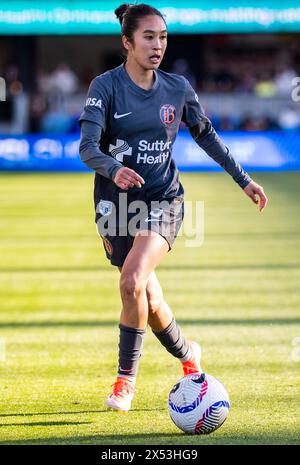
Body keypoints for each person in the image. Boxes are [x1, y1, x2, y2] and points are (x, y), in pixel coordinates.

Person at [79, 3, 268, 413]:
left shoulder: (177, 88)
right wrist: (114, 169)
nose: (158, 45)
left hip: (164, 200)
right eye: (148, 37)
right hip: (115, 207)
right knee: (147, 293)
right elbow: (88, 149)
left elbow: (208, 136)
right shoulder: (105, 87)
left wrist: (244, 180)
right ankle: (188, 357)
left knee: (131, 281)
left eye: (162, 37)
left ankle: (125, 382)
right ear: (127, 42)